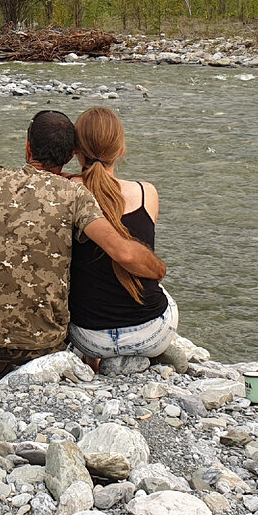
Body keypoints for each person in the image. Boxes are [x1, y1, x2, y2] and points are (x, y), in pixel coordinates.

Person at [0, 104, 166, 380]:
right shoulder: (74, 194)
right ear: (72, 154)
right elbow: (121, 251)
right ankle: (85, 358)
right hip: (43, 343)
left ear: (28, 149)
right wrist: (159, 270)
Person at [67, 106, 178, 362]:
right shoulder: (145, 192)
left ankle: (92, 360)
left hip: (88, 337)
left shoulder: (65, 191)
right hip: (150, 335)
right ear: (121, 150)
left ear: (76, 152)